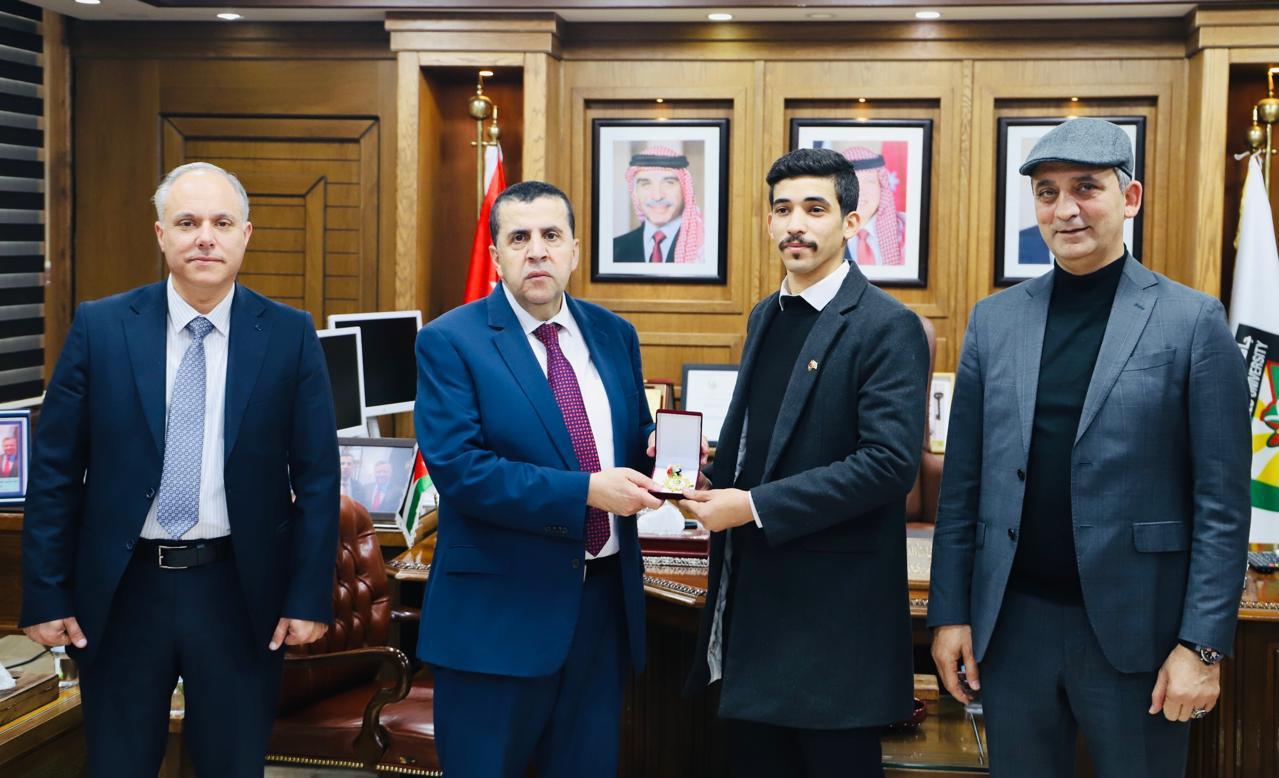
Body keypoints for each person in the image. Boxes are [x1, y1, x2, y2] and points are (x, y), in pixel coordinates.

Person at [928, 117, 1251, 777]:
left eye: (1085, 188)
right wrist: (950, 614)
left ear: (1128, 198)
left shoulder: (1192, 321)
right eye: (1047, 193)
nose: (1065, 209)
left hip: (1140, 636)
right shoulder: (994, 320)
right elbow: (962, 486)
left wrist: (1201, 647)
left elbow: (1221, 503)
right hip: (1011, 631)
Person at [20, 162, 340, 776]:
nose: (205, 238)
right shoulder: (101, 327)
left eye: (222, 223)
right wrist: (45, 593)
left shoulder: (289, 334)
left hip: (239, 591)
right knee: (118, 764)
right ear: (161, 234)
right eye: (188, 223)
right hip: (122, 591)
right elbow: (56, 471)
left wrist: (308, 597)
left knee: (231, 766)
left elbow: (318, 479)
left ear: (246, 234)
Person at [680, 147, 930, 778]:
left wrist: (752, 505)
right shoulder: (766, 313)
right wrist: (709, 474)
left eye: (815, 209)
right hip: (753, 613)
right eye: (783, 209)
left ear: (851, 222)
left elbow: (888, 465)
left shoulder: (887, 326)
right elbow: (766, 442)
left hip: (832, 629)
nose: (795, 224)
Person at [415, 179, 661, 777]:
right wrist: (587, 492)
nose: (537, 251)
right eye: (519, 238)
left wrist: (664, 455)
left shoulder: (614, 334)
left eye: (551, 235)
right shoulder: (450, 341)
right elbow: (462, 470)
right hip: (496, 619)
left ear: (574, 249)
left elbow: (628, 441)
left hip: (601, 610)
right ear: (496, 255)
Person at [613, 145, 705, 263]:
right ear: (635, 193)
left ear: (685, 190)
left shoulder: (704, 249)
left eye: (669, 183)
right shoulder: (614, 249)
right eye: (646, 184)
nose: (657, 196)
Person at [840, 146, 907, 267]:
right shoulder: (821, 234)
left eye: (869, 181)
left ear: (881, 185)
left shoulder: (907, 229)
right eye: (852, 182)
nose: (860, 191)